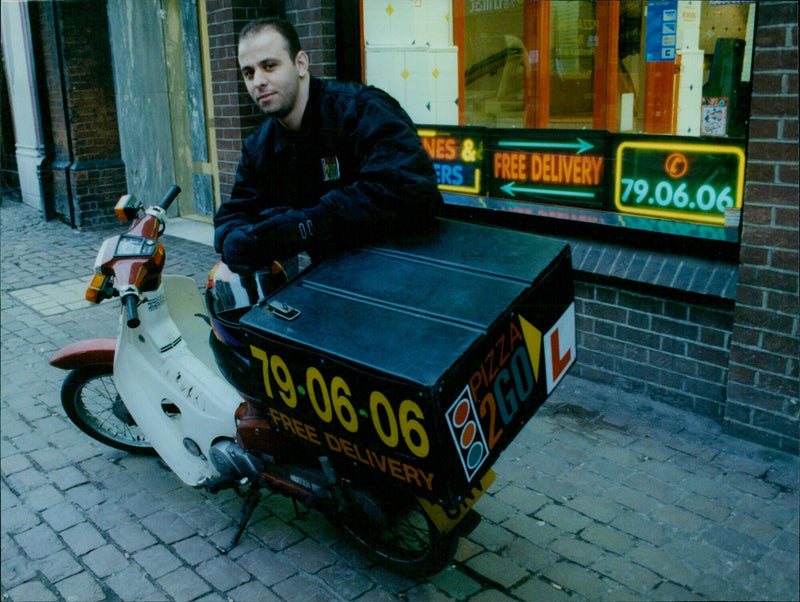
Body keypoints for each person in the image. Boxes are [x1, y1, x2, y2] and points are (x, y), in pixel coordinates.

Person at [214, 17, 442, 273]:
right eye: (249, 72)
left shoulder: (360, 109)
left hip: (412, 271)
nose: (258, 81)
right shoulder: (259, 147)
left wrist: (304, 225)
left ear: (301, 64)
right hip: (333, 282)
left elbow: (408, 188)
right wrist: (233, 239)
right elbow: (236, 211)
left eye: (269, 66)